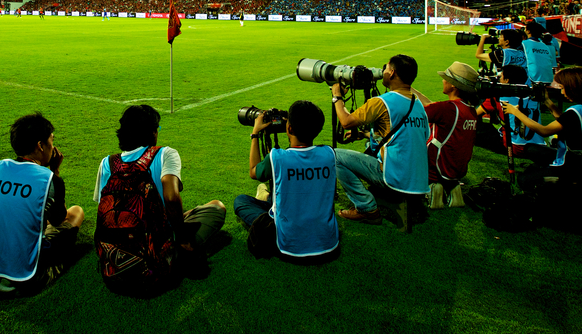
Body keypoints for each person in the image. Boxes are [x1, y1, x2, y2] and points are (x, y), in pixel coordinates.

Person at [93, 105, 225, 289]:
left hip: (115, 260)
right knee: (216, 207)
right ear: (152, 132)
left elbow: (103, 209)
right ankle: (181, 252)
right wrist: (182, 238)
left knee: (180, 215)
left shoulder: (108, 163)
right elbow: (171, 198)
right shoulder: (164, 154)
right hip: (156, 252)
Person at [0, 113, 84, 298]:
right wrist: (55, 172)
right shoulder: (50, 180)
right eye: (51, 141)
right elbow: (58, 220)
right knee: (76, 212)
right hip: (24, 281)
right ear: (40, 145)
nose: (53, 147)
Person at [233, 101, 339, 260]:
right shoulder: (329, 154)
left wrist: (255, 134)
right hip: (328, 245)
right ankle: (268, 197)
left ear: (289, 128)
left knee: (241, 201)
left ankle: (266, 198)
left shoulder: (278, 157)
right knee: (285, 195)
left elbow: (254, 171)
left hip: (288, 246)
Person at [332, 54, 429, 225]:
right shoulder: (418, 104)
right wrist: (364, 134)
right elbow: (404, 136)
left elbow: (346, 122)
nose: (382, 71)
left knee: (334, 156)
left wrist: (337, 96)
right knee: (370, 143)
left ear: (391, 73)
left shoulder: (383, 102)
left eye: (385, 68)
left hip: (396, 180)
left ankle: (366, 208)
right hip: (418, 183)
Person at [504, 66, 582, 189]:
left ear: (575, 88)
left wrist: (515, 112)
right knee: (531, 149)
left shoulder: (577, 111)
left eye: (563, 88)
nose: (562, 92)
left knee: (524, 180)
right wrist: (547, 102)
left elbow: (544, 131)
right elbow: (568, 121)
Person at [424, 62, 480, 209]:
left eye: (446, 78)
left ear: (454, 85)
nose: (443, 80)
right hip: (456, 170)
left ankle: (433, 187)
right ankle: (452, 188)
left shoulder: (447, 109)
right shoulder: (470, 110)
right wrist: (409, 88)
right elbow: (433, 106)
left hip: (436, 168)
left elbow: (419, 113)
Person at [475, 64, 550, 162]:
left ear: (507, 80)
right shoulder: (534, 97)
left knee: (477, 126)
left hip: (514, 147)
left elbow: (475, 114)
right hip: (538, 147)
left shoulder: (498, 97)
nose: (499, 78)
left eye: (501, 76)